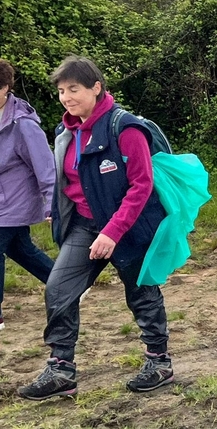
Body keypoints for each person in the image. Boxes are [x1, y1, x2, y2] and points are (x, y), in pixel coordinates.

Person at [18, 56, 173, 400]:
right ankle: (61, 369)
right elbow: (65, 182)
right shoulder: (65, 131)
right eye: (61, 91)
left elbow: (141, 186)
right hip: (85, 227)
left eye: (74, 89)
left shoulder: (125, 128)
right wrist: (55, 211)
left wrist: (114, 231)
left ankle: (158, 361)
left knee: (141, 294)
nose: (66, 97)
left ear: (96, 88)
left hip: (129, 227)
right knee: (58, 289)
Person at [0, 59, 56, 331]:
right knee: (20, 249)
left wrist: (51, 205)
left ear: (6, 88)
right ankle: (67, 285)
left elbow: (46, 167)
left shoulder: (23, 124)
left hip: (14, 203)